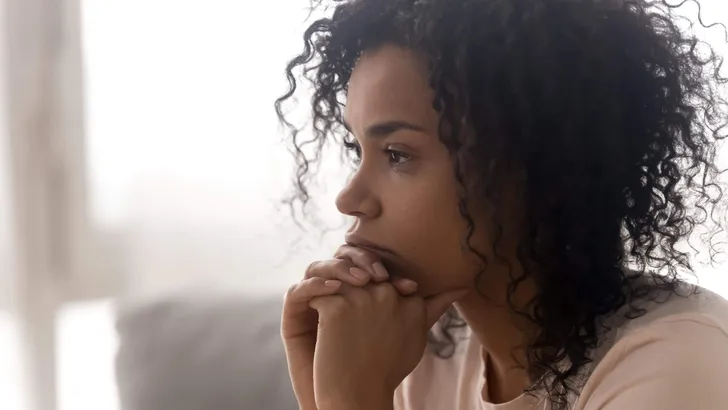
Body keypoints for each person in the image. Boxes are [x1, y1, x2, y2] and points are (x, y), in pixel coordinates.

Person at [274, 0, 728, 409]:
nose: (350, 199)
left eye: (398, 154)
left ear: (540, 166)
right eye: (359, 151)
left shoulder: (681, 361)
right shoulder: (416, 350)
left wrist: (350, 403)